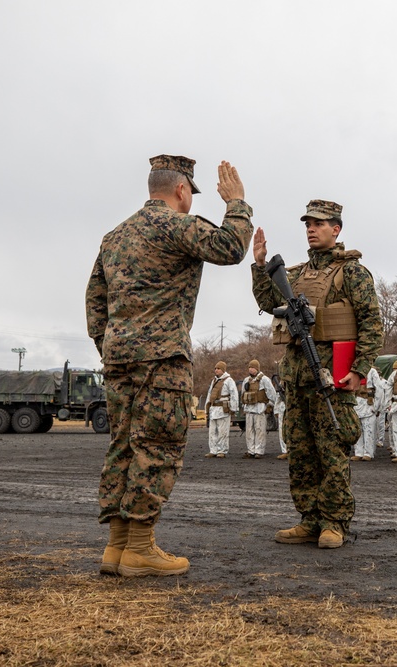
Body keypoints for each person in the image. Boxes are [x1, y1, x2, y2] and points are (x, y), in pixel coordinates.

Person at [86, 156, 252, 577]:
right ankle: (140, 548)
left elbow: (95, 304)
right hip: (162, 359)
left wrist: (113, 347)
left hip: (118, 359)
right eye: (190, 195)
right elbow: (231, 248)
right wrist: (237, 204)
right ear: (182, 191)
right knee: (157, 446)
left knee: (123, 444)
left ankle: (117, 547)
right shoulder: (176, 226)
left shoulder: (113, 237)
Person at [252, 199, 383, 549]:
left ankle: (334, 521)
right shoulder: (295, 274)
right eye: (307, 223)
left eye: (319, 223)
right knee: (301, 451)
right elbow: (267, 302)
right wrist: (260, 264)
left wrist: (359, 370)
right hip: (296, 376)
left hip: (331, 378)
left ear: (336, 229)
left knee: (332, 449)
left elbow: (372, 324)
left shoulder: (352, 273)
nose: (311, 228)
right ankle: (309, 518)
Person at [241, 359, 277, 458]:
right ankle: (250, 450)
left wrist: (270, 405)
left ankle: (259, 451)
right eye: (249, 367)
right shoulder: (246, 380)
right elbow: (243, 394)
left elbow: (272, 393)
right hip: (249, 409)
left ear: (257, 368)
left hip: (260, 408)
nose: (251, 369)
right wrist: (244, 406)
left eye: (253, 367)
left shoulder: (264, 379)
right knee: (249, 430)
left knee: (260, 430)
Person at [205, 361, 239, 458]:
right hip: (214, 409)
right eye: (215, 368)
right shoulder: (214, 381)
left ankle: (222, 450)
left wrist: (233, 408)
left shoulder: (229, 381)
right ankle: (213, 450)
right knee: (212, 432)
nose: (216, 370)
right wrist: (207, 407)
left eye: (218, 368)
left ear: (223, 370)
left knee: (222, 431)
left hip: (223, 409)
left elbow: (234, 394)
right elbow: (209, 394)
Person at [350, 366, 382, 462]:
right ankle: (358, 452)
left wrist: (376, 406)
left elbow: (379, 389)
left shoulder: (372, 371)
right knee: (357, 429)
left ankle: (368, 453)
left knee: (369, 430)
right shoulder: (354, 372)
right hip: (356, 403)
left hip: (368, 404)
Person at [273, 372, 289, 460]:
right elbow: (278, 397)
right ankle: (285, 450)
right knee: (282, 430)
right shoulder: (281, 384)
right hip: (283, 407)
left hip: (292, 406)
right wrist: (276, 410)